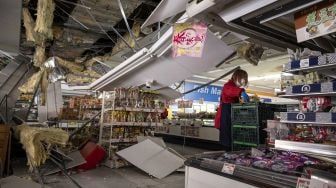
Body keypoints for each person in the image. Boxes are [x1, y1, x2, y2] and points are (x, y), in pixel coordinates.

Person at [215, 69, 249, 150]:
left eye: (244, 80)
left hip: (231, 115)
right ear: (235, 77)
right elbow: (231, 91)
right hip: (225, 116)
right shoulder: (227, 86)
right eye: (241, 79)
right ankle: (227, 156)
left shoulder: (234, 87)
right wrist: (241, 92)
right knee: (227, 142)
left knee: (231, 140)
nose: (242, 82)